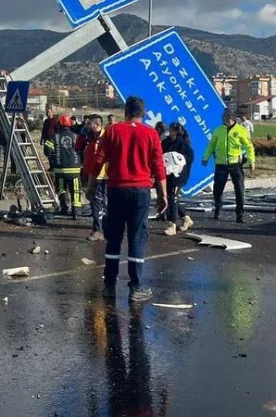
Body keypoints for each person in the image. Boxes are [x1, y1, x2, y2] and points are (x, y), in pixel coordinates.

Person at [87, 96, 168, 303]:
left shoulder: (113, 131)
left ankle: (109, 285)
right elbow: (159, 166)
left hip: (116, 190)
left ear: (126, 111)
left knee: (113, 237)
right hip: (140, 191)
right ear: (143, 113)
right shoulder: (151, 134)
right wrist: (163, 195)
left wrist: (91, 184)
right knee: (137, 238)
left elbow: (99, 160)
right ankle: (136, 286)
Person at [202, 111, 256, 223]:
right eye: (223, 118)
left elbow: (249, 146)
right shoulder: (218, 130)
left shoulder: (241, 130)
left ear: (231, 118)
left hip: (235, 164)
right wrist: (205, 157)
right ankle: (217, 208)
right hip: (221, 164)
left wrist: (252, 161)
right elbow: (211, 145)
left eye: (226, 118)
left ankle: (239, 214)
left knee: (239, 190)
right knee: (217, 189)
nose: (224, 120)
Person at [44, 115, 83, 217]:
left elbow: (47, 150)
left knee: (61, 189)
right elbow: (83, 150)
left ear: (59, 124)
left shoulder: (54, 137)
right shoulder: (77, 136)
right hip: (74, 169)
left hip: (59, 169)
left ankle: (64, 208)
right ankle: (76, 211)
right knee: (76, 190)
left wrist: (53, 158)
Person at [77, 114, 108, 241]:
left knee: (100, 203)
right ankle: (99, 229)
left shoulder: (106, 138)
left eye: (89, 124)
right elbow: (79, 149)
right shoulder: (91, 138)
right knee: (96, 203)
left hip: (104, 176)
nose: (87, 126)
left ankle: (99, 230)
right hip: (92, 175)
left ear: (96, 125)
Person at [161, 122, 195, 234]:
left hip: (178, 176)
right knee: (171, 198)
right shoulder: (165, 142)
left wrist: (178, 162)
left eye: (170, 130)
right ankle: (186, 218)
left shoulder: (183, 145)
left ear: (175, 131)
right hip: (167, 174)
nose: (168, 132)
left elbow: (189, 158)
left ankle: (172, 225)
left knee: (173, 198)